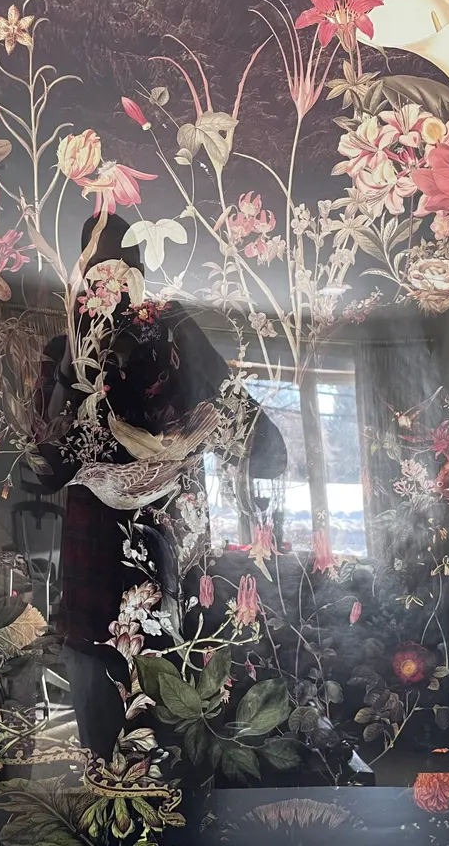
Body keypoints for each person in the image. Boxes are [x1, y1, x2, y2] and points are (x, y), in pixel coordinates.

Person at [29, 212, 285, 759]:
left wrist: (187, 357)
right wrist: (76, 378)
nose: (109, 286)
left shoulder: (174, 339)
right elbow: (42, 469)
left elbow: (266, 451)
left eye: (122, 269)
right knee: (106, 765)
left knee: (179, 760)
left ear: (141, 274)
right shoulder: (64, 354)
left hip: (176, 595)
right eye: (95, 272)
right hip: (96, 598)